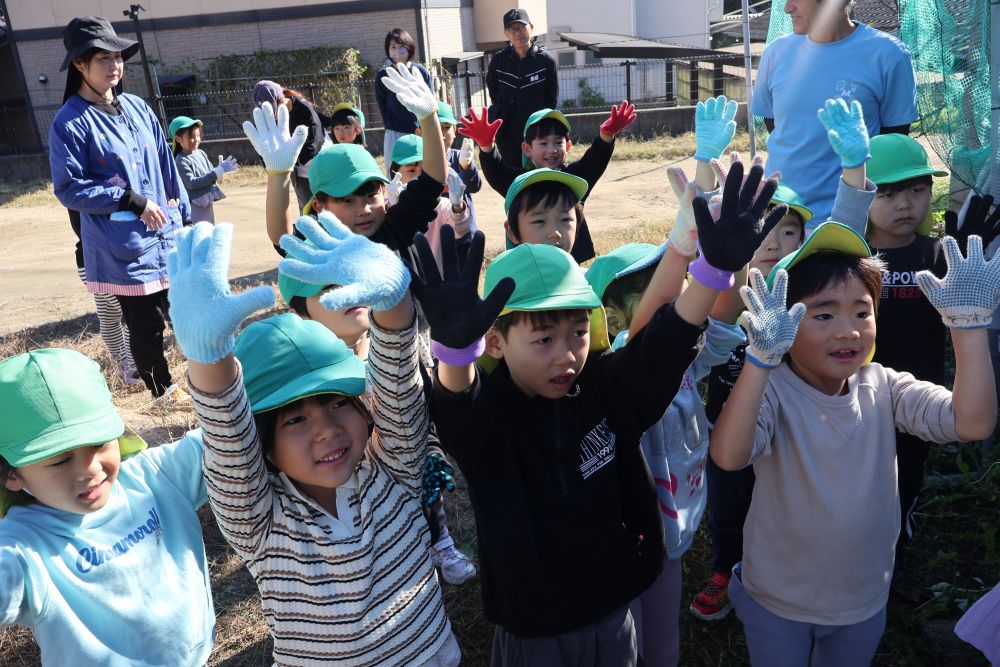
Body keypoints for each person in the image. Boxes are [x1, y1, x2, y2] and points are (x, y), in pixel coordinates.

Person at [414, 164, 782, 664]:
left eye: (578, 332)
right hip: (535, 629)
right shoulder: (492, 418)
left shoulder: (605, 387)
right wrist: (455, 352)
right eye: (543, 339)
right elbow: (458, 407)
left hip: (615, 610)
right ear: (496, 340)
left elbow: (666, 343)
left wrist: (712, 272)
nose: (566, 354)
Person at [168, 221, 461, 666]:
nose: (326, 428)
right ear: (263, 445)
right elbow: (228, 437)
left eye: (337, 403)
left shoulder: (393, 469)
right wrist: (209, 359)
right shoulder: (260, 523)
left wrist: (396, 304)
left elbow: (398, 385)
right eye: (296, 419)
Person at [710, 222, 1000, 665]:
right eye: (823, 315)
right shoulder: (772, 393)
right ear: (781, 323)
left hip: (863, 601)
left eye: (862, 312)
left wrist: (968, 327)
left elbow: (973, 422)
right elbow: (729, 455)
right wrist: (760, 361)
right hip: (777, 600)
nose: (848, 331)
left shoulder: (885, 387)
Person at [690, 96, 879, 621]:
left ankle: (788, 569)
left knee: (790, 505)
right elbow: (707, 238)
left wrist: (853, 168)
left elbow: (845, 244)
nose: (773, 242)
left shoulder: (807, 289)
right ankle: (727, 565)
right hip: (731, 420)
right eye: (763, 229)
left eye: (789, 230)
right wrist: (707, 164)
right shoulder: (727, 288)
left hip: (798, 427)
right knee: (729, 501)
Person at [276, 212, 477, 587]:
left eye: (353, 280)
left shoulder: (396, 344)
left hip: (408, 465)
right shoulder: (306, 377)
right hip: (351, 486)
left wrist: (431, 446)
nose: (352, 294)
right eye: (329, 289)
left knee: (428, 501)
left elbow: (422, 402)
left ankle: (440, 542)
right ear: (299, 310)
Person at [586, 240, 748, 666]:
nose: (676, 295)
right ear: (610, 315)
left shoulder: (687, 360)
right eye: (654, 285)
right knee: (623, 641)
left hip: (671, 531)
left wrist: (735, 254)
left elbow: (724, 311)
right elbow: (648, 337)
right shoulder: (615, 364)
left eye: (681, 283)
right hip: (623, 537)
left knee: (662, 639)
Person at [0, 348, 215, 664]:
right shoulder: (23, 545)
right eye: (60, 460)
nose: (89, 469)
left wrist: (212, 356)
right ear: (12, 475)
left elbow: (225, 438)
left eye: (99, 442)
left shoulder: (154, 476)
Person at [49, 16, 192, 406]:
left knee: (185, 311)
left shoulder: (137, 106)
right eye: (104, 59)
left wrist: (184, 212)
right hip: (122, 243)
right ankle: (162, 390)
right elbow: (69, 188)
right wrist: (130, 199)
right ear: (80, 64)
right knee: (144, 325)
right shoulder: (70, 123)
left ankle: (203, 377)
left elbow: (165, 159)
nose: (115, 66)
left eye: (118, 58)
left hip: (166, 232)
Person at [863, 132, 951, 588]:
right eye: (889, 192)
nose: (904, 204)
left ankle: (897, 539)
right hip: (861, 394)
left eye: (916, 190)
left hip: (920, 396)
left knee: (908, 471)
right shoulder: (853, 253)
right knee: (862, 473)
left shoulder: (936, 254)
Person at [247, 64, 445, 258]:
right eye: (348, 200)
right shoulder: (322, 246)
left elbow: (432, 183)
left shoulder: (396, 227)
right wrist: (278, 174)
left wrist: (428, 117)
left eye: (370, 195)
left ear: (383, 191)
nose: (364, 210)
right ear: (319, 206)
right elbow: (284, 240)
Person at [751, 0, 917, 226]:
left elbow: (892, 143)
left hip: (853, 222)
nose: (787, 8)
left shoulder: (889, 54)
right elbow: (775, 125)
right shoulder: (776, 53)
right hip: (781, 220)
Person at [461, 103, 635, 263]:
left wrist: (606, 137)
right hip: (531, 260)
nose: (551, 149)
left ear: (568, 146)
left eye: (558, 142)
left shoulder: (574, 179)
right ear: (527, 149)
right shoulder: (521, 183)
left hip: (570, 258)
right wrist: (487, 147)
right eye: (543, 143)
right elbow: (497, 173)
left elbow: (594, 162)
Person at [66, 208, 138, 385]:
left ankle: (122, 366)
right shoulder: (96, 190)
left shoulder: (75, 190)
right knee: (134, 317)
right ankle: (133, 368)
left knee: (109, 317)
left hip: (88, 263)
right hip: (105, 263)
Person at [486, 8, 558, 170]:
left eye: (522, 27)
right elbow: (494, 93)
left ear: (531, 28)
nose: (518, 32)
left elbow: (551, 99)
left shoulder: (545, 60)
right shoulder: (498, 61)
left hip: (537, 132)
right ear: (506, 33)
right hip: (507, 133)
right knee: (513, 178)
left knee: (540, 174)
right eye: (512, 28)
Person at [251, 80, 328, 211]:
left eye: (274, 107)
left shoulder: (304, 108)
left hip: (321, 167)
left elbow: (315, 141)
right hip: (299, 173)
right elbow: (266, 145)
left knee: (326, 207)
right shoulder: (269, 118)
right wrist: (271, 164)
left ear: (281, 99)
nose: (273, 114)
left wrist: (292, 160)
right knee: (307, 209)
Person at [375, 28, 434, 165]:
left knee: (424, 168)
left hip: (420, 131)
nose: (397, 51)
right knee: (396, 171)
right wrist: (390, 126)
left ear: (409, 47)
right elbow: (382, 105)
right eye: (393, 47)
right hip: (395, 132)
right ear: (388, 50)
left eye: (401, 47)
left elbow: (430, 100)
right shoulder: (383, 75)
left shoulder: (420, 72)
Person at [169, 115, 237, 224]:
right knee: (200, 232)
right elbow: (191, 183)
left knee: (209, 229)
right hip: (195, 205)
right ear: (178, 139)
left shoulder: (201, 153)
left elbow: (210, 174)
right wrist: (216, 173)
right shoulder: (181, 160)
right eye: (192, 136)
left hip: (206, 202)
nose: (197, 140)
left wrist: (220, 169)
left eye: (198, 135)